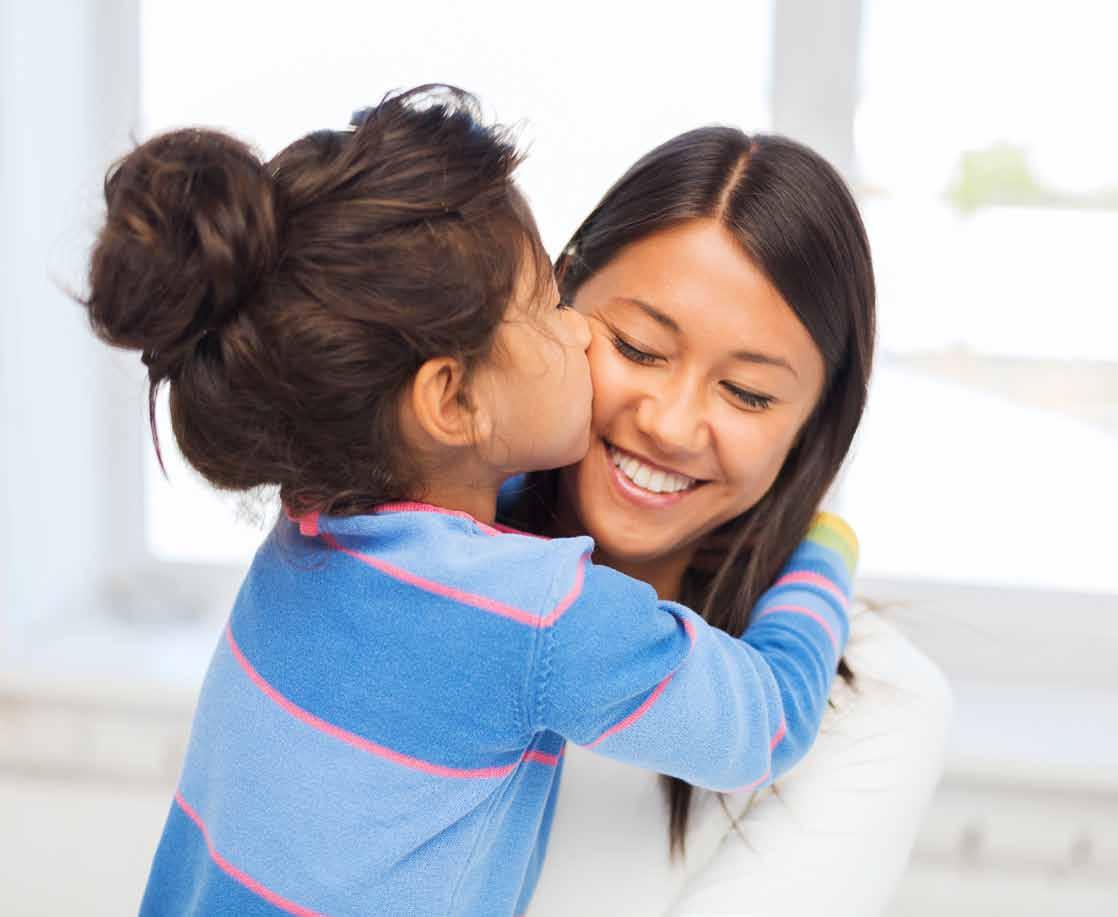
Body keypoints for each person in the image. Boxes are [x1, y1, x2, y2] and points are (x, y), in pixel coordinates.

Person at [81, 87, 857, 917]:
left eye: (746, 392)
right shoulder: (543, 613)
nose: (579, 331)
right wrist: (825, 545)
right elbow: (767, 720)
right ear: (450, 401)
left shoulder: (311, 521)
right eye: (551, 309)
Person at [501, 127, 953, 916]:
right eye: (639, 348)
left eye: (747, 393)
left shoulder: (874, 705)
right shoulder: (398, 559)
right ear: (557, 299)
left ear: (814, 421)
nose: (672, 425)